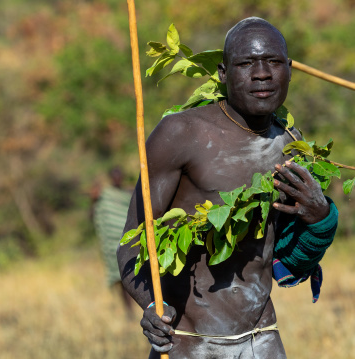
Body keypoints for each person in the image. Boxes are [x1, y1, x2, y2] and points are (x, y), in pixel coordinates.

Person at [117, 17, 338, 358]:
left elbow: (291, 258)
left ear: (290, 70)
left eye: (274, 62)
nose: (262, 73)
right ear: (223, 72)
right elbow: (132, 243)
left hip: (262, 338)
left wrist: (321, 216)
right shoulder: (180, 133)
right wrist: (150, 306)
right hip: (188, 342)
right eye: (246, 63)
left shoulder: (293, 144)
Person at [92, 167, 135, 318]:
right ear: (111, 178)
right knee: (121, 278)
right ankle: (129, 312)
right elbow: (97, 215)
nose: (117, 179)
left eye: (119, 176)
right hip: (113, 244)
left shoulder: (129, 193)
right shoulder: (105, 196)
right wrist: (94, 200)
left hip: (131, 240)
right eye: (114, 176)